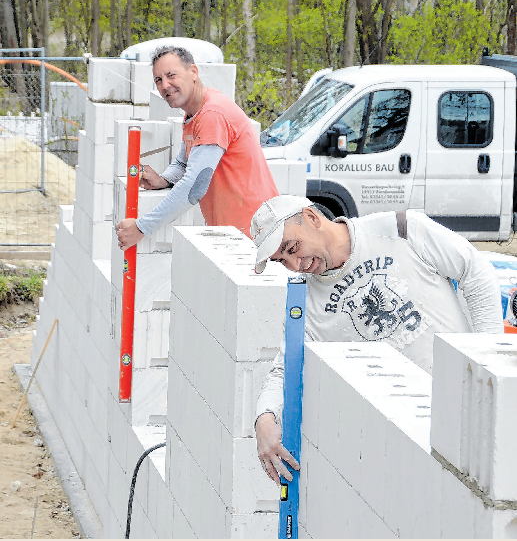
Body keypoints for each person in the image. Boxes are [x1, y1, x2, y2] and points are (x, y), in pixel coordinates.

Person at [249, 195, 503, 485]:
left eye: (292, 247)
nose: (296, 264)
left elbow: (476, 272)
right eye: (282, 261)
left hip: (470, 405)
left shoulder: (401, 230)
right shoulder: (306, 303)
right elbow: (285, 369)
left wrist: (488, 362)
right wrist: (264, 419)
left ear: (311, 218)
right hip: (410, 439)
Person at [116, 46, 279, 249]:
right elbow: (183, 163)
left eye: (171, 75)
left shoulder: (212, 114)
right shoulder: (195, 113)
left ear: (193, 72)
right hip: (237, 234)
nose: (165, 85)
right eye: (158, 80)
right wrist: (164, 180)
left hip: (255, 234)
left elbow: (194, 186)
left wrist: (141, 228)